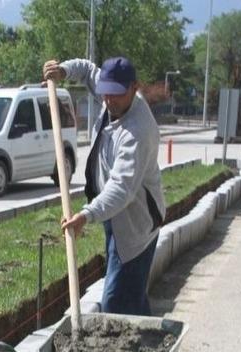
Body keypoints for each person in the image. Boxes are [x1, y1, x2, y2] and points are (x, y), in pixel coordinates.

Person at [43, 56, 166, 316]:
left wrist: (87, 215)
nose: (109, 101)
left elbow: (122, 188)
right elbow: (88, 70)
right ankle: (145, 345)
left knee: (115, 302)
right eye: (105, 94)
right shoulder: (113, 92)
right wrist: (63, 70)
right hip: (114, 216)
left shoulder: (138, 132)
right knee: (129, 296)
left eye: (117, 96)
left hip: (135, 225)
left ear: (135, 88)